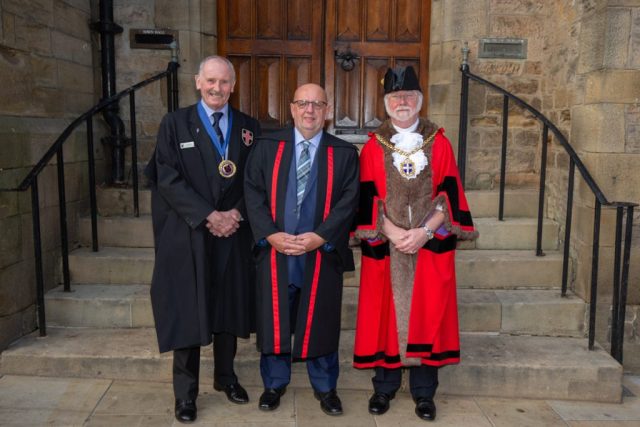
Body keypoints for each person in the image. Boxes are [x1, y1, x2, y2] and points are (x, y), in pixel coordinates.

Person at [353, 66, 478, 422]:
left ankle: (424, 392)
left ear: (420, 101)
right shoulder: (372, 147)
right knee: (384, 314)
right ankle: (384, 387)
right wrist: (392, 232)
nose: (402, 102)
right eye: (395, 97)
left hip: (429, 244)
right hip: (386, 244)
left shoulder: (440, 142)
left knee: (429, 312)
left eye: (408, 96)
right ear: (386, 103)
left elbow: (450, 193)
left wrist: (424, 232)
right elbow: (365, 198)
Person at [144, 55, 261, 423]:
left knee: (228, 308)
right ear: (197, 82)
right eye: (210, 81)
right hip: (189, 233)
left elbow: (256, 180)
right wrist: (209, 215)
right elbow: (166, 178)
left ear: (233, 86)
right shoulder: (174, 124)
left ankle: (225, 377)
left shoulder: (249, 127)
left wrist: (236, 214)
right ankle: (185, 394)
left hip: (233, 233)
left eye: (224, 82)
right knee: (188, 310)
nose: (217, 88)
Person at [244, 83, 359, 416]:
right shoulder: (267, 146)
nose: (310, 110)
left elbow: (349, 200)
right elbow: (252, 192)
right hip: (276, 250)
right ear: (292, 108)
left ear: (327, 111)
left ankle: (325, 386)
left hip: (320, 252)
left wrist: (322, 236)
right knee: (275, 317)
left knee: (321, 318)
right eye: (303, 103)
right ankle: (274, 383)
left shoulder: (344, 153)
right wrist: (270, 234)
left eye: (317, 104)